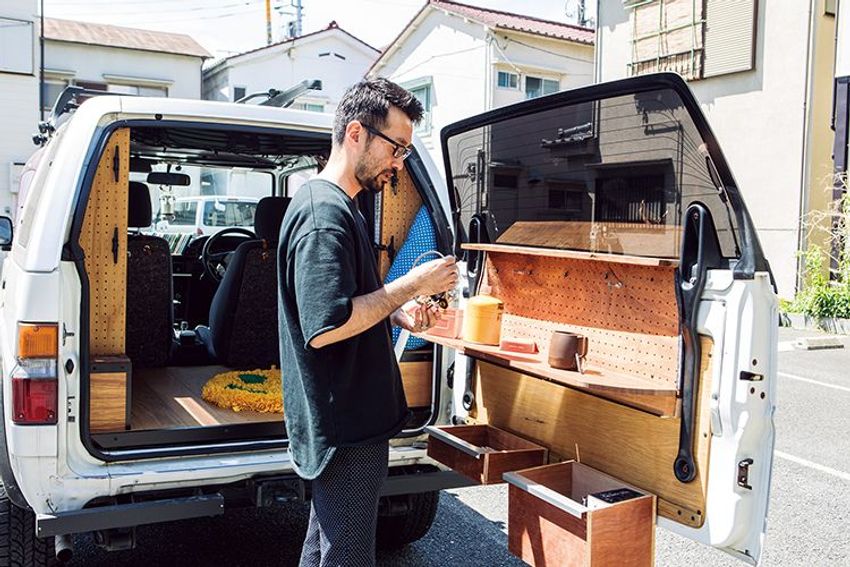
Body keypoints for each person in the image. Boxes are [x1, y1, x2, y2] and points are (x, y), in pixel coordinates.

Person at [277, 78, 457, 567]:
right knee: (348, 555)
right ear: (356, 132)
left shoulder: (338, 206)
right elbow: (327, 325)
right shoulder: (323, 217)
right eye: (396, 147)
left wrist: (396, 311)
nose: (400, 164)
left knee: (324, 547)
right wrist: (412, 284)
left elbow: (346, 300)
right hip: (345, 428)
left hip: (345, 422)